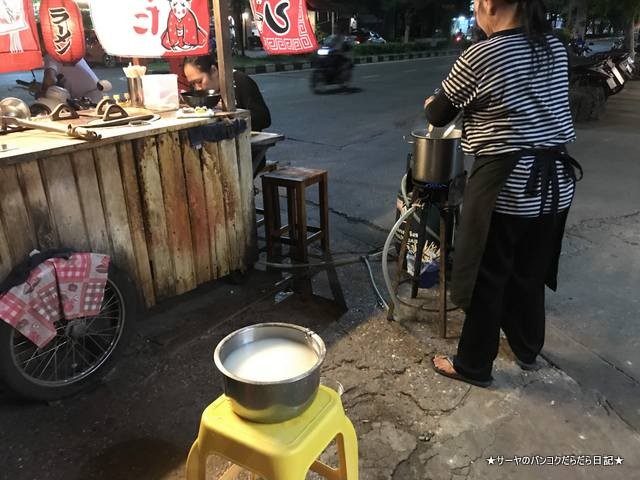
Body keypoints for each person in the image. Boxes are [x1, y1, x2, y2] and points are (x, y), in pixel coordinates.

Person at [425, 0, 582, 388]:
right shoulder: (553, 46)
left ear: (492, 4)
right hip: (553, 184)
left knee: (486, 274)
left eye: (477, 1)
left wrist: (432, 102)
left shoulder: (482, 52)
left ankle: (474, 365)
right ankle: (528, 350)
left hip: (506, 183)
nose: (476, 7)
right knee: (529, 271)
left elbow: (438, 113)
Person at [183, 55, 271, 131]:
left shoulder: (240, 81)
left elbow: (264, 118)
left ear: (214, 71)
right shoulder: (198, 90)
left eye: (199, 81)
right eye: (192, 84)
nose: (197, 88)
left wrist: (232, 114)